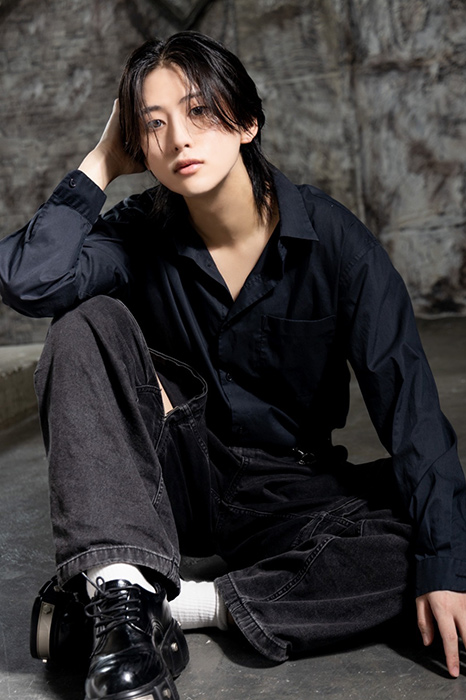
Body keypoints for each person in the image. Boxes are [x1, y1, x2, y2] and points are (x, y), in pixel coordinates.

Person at [1, 30, 466, 700]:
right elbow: (29, 281)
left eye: (198, 111)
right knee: (82, 323)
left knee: (442, 537)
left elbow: (411, 410)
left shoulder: (337, 243)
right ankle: (121, 599)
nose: (178, 139)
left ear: (247, 121)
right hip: (171, 481)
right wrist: (100, 160)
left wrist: (445, 569)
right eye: (153, 125)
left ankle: (169, 607)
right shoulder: (138, 231)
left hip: (289, 489)